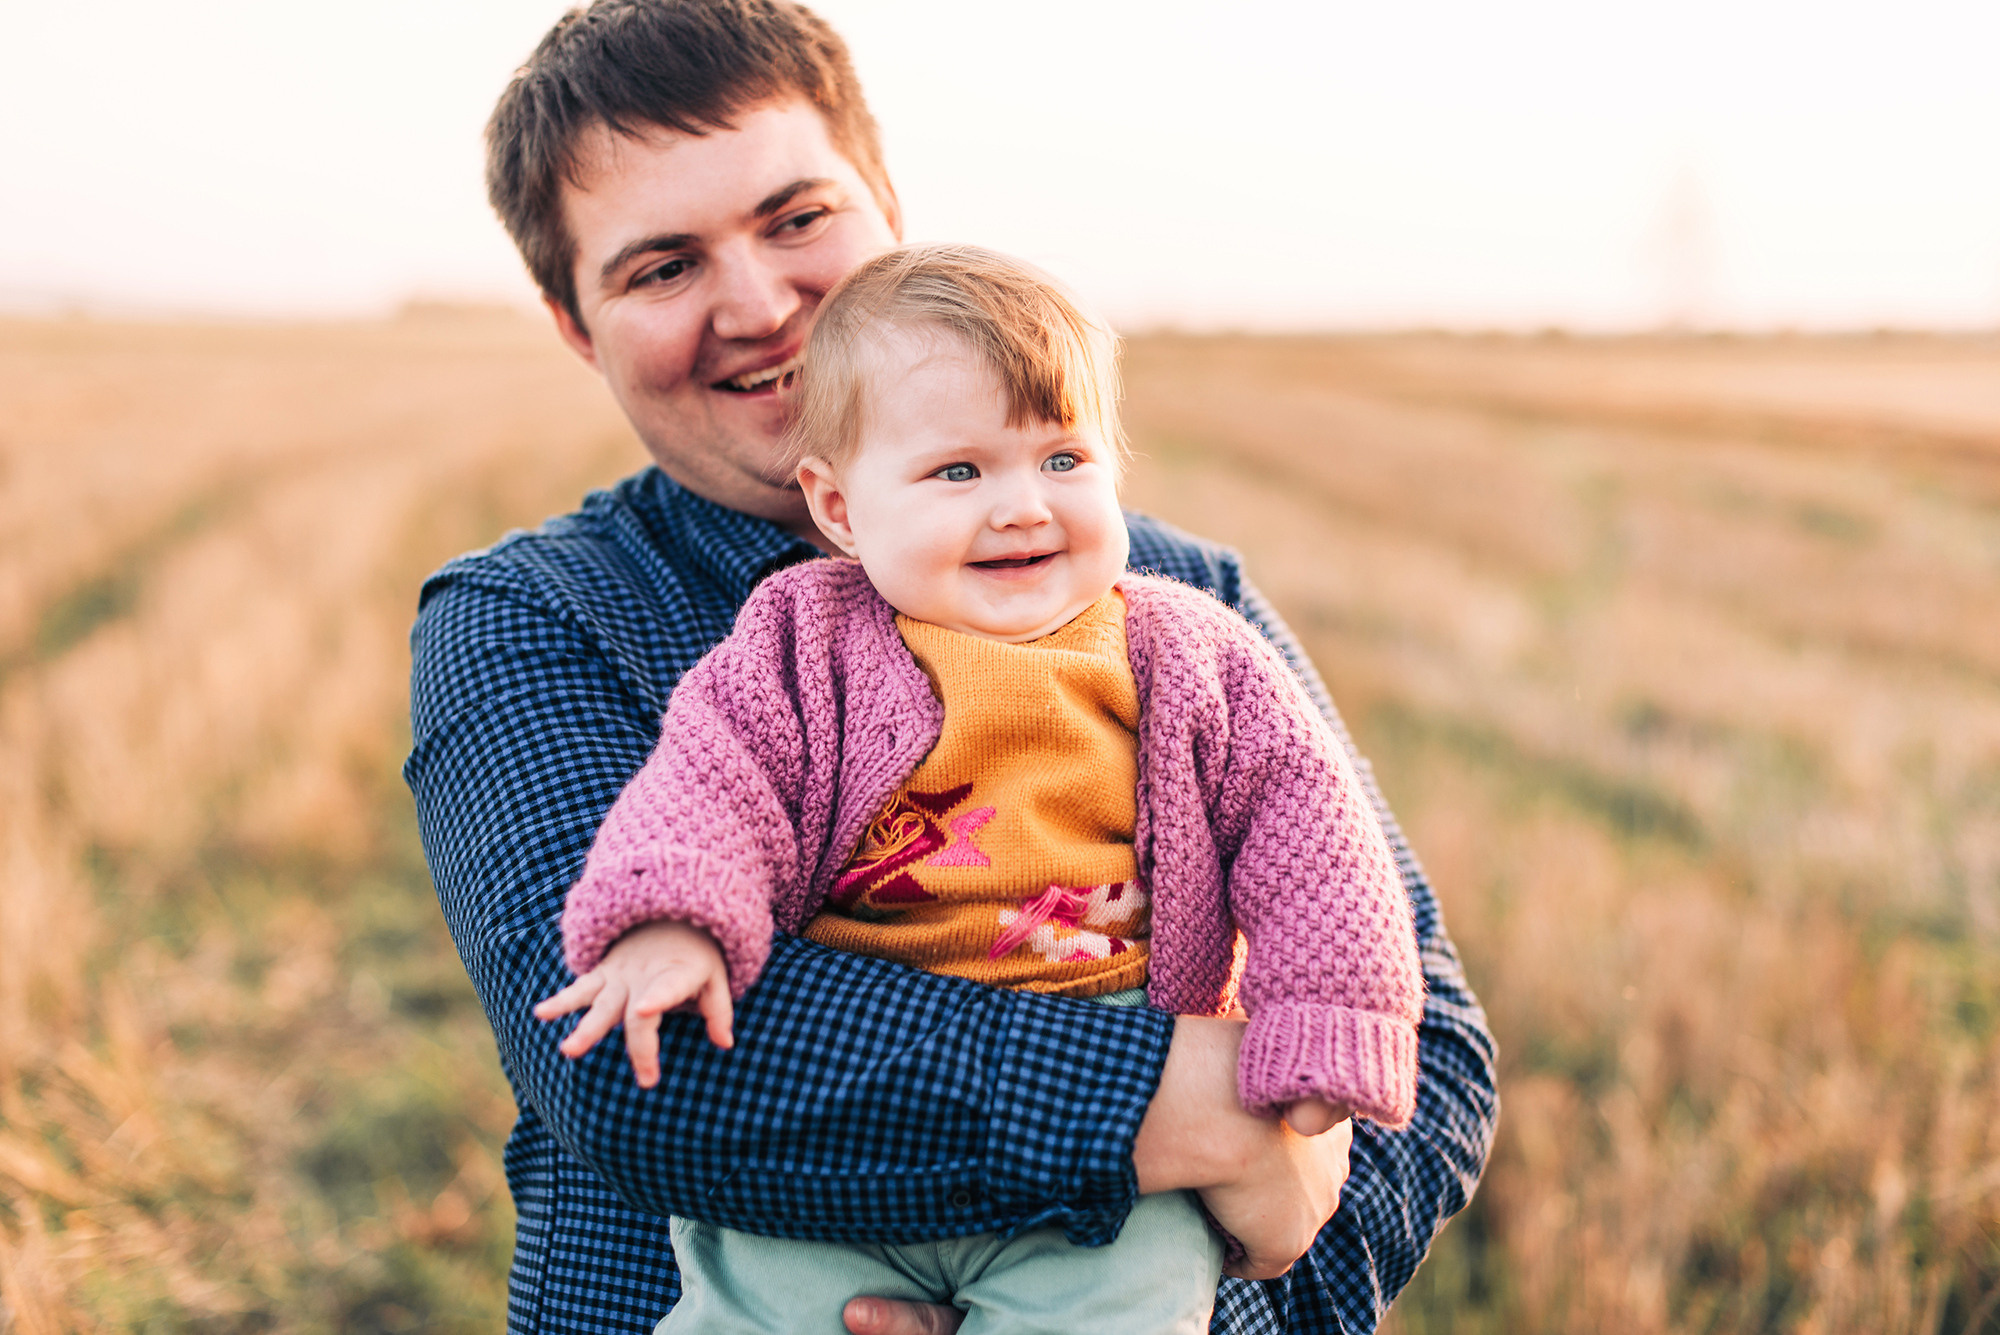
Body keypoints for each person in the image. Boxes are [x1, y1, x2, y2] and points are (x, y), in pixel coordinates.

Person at [404, 2, 1498, 1331]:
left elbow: (1421, 1049)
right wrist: (1219, 1115)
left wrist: (1246, 1259)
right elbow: (632, 1069)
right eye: (661, 268)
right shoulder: (529, 619)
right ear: (577, 323)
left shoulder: (1182, 605)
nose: (758, 305)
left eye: (798, 217)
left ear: (888, 208)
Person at [535, 244, 1426, 1334]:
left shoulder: (1188, 648)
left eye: (1061, 459)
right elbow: (717, 776)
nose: (1021, 509)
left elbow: (1307, 830)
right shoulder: (801, 641)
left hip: (1111, 1142)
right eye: (958, 473)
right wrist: (670, 919)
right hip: (852, 1133)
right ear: (842, 508)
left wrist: (1325, 1014)